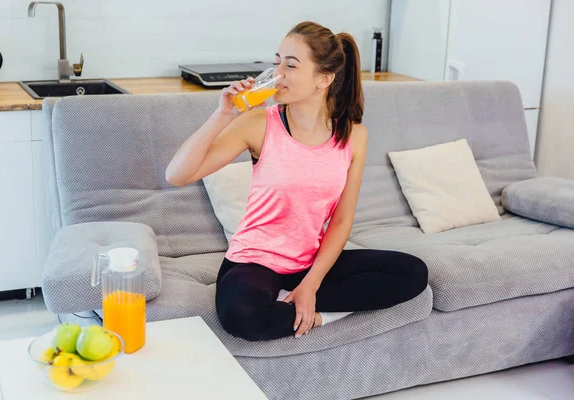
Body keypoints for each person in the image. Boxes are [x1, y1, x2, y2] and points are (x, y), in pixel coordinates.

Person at [166, 21, 428, 342]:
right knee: (243, 316)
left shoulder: (354, 137)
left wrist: (310, 285)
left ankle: (311, 311)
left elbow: (342, 220)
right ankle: (304, 309)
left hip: (309, 263)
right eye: (276, 62)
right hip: (255, 261)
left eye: (291, 65)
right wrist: (224, 114)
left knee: (412, 273)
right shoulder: (259, 123)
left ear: (324, 79)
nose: (278, 74)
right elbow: (177, 175)